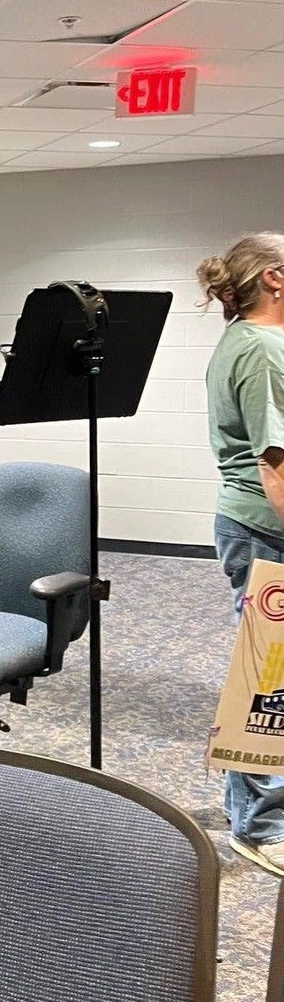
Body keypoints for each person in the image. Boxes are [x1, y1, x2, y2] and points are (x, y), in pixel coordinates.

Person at [197, 232, 284, 876]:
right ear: (275, 280)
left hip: (253, 525)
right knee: (270, 679)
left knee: (267, 673)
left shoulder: (248, 343)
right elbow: (276, 463)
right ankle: (260, 826)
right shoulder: (260, 349)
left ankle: (251, 812)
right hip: (267, 528)